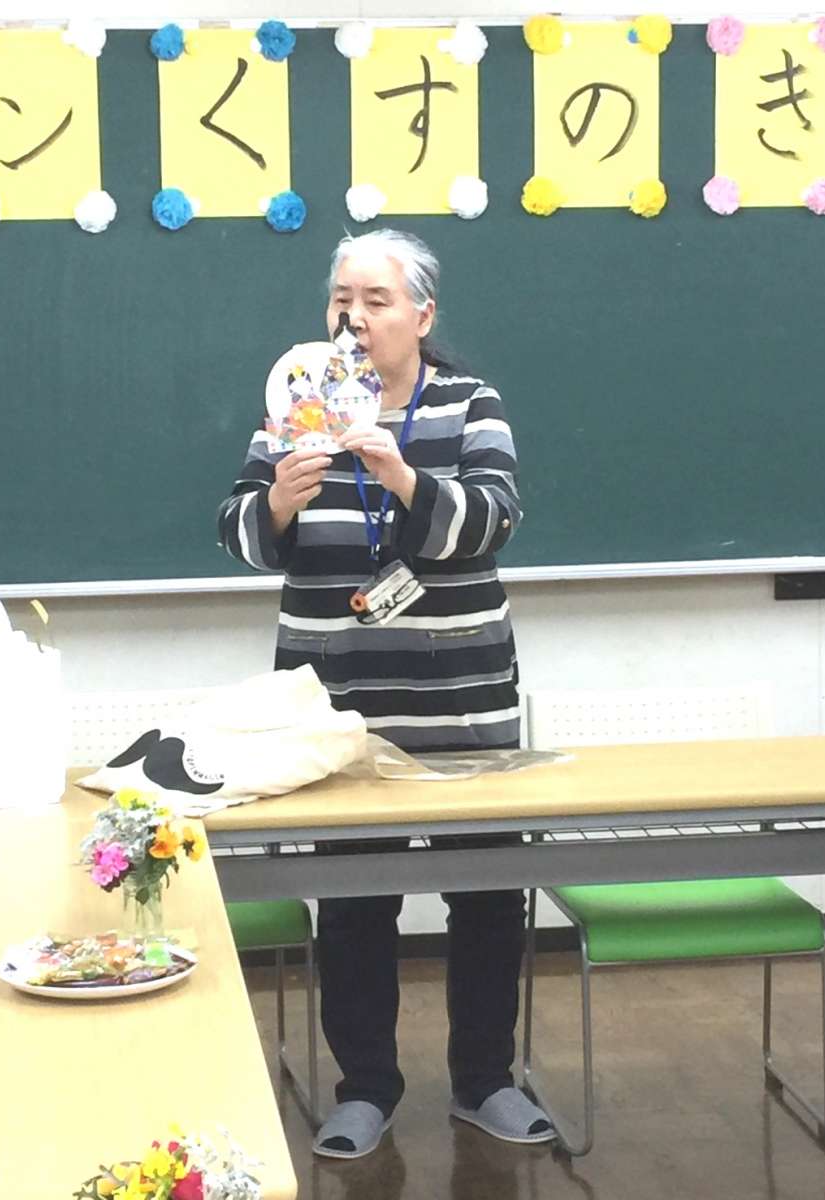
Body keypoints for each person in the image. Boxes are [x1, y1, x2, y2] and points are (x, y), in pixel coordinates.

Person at [217, 228, 553, 1158]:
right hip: (338, 719)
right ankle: (364, 1090)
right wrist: (279, 500)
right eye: (343, 299)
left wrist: (399, 474)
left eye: (376, 299)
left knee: (487, 898)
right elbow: (237, 530)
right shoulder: (295, 402)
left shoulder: (470, 403)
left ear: (422, 315)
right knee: (354, 903)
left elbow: (491, 521)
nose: (355, 317)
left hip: (464, 708)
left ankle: (485, 1082)